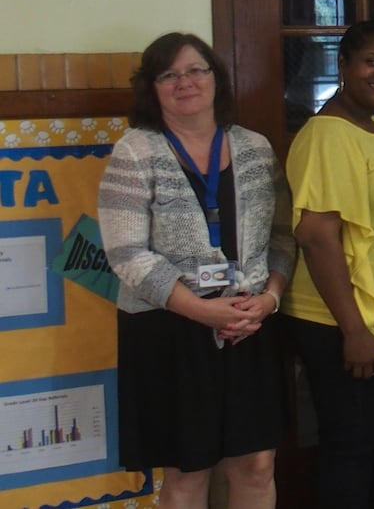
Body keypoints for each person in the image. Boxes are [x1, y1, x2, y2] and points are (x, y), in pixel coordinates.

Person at [100, 33, 294, 509]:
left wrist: (269, 298)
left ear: (216, 79)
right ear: (153, 88)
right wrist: (201, 311)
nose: (184, 82)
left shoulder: (254, 147)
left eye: (196, 70)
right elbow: (126, 254)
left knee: (257, 465)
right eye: (169, 74)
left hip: (251, 324)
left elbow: (282, 236)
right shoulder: (135, 151)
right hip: (171, 330)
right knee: (189, 473)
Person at [280, 20, 374, 509]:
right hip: (344, 321)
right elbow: (317, 238)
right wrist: (354, 329)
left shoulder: (371, 124)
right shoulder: (328, 134)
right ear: (342, 65)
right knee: (350, 454)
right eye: (371, 61)